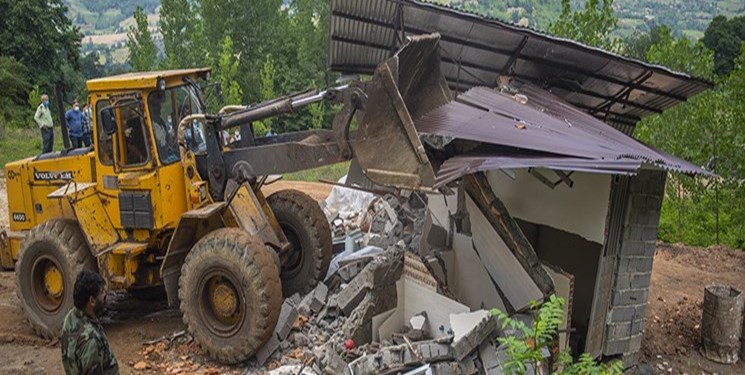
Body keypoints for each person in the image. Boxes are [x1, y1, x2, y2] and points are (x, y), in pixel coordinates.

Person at [61, 270, 119, 375]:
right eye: (102, 293)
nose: (105, 295)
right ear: (92, 301)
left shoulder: (71, 317)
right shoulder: (90, 340)